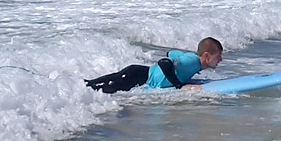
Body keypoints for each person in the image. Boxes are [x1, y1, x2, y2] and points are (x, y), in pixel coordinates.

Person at [86, 37, 223, 93]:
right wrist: (179, 85)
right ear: (206, 55)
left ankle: (86, 84)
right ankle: (85, 86)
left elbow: (171, 53)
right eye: (218, 56)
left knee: (101, 87)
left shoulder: (191, 60)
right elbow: (165, 62)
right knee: (102, 90)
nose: (220, 60)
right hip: (138, 76)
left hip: (138, 73)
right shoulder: (191, 62)